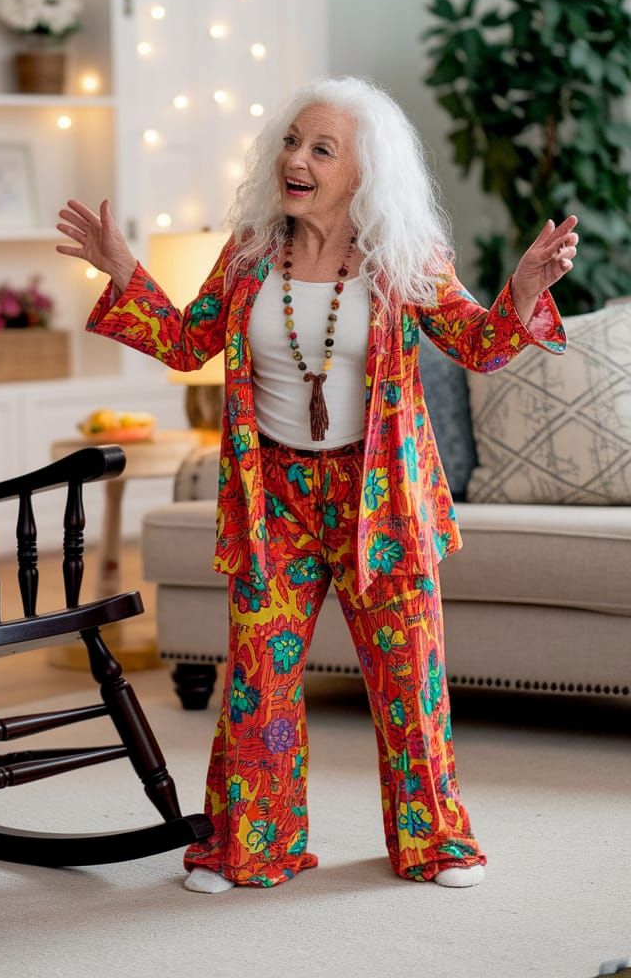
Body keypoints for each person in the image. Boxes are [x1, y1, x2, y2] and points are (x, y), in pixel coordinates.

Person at [55, 76, 574, 894]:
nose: (295, 159)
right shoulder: (252, 254)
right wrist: (124, 270)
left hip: (382, 499)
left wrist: (524, 291)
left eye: (320, 149)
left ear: (364, 172)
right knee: (259, 679)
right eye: (292, 142)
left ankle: (436, 843)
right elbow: (191, 343)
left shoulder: (405, 260)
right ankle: (250, 844)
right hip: (275, 498)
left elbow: (479, 343)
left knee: (410, 678)